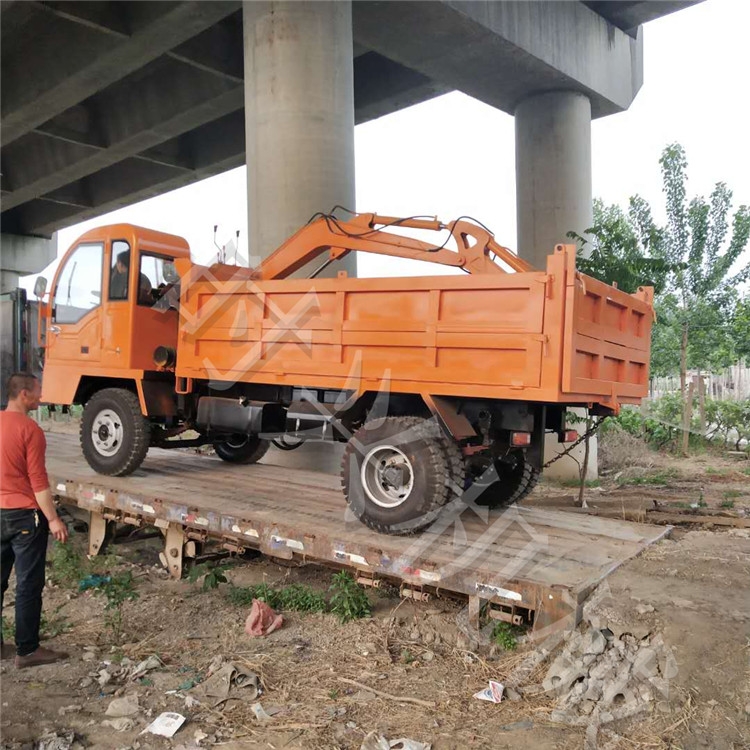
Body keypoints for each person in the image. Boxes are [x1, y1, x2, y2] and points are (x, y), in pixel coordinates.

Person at [1, 372, 69, 668]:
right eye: (38, 391)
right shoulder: (30, 430)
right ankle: (27, 651)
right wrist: (53, 520)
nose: (41, 396)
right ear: (24, 395)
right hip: (25, 517)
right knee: (28, 585)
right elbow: (39, 483)